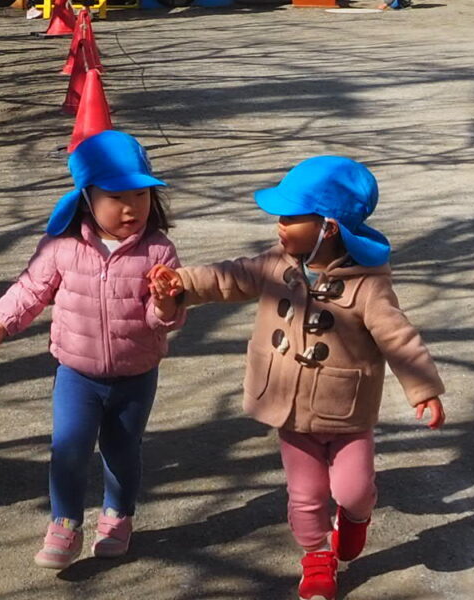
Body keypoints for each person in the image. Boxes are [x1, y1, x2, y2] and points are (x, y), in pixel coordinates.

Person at [149, 157, 445, 600]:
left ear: (328, 226)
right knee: (305, 495)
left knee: (354, 489)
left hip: (346, 412)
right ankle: (316, 557)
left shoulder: (367, 283)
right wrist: (181, 284)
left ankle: (357, 516)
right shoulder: (276, 263)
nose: (280, 226)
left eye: (291, 218)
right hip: (288, 407)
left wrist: (423, 388)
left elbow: (398, 336)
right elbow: (226, 277)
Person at [0, 130, 184, 569]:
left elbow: (169, 317)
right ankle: (64, 524)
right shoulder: (62, 247)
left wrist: (164, 303)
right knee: (69, 447)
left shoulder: (159, 250)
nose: (132, 208)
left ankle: (117, 517)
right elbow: (31, 288)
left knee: (122, 451)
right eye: (117, 196)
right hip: (77, 374)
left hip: (136, 373)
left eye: (141, 194)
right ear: (88, 197)